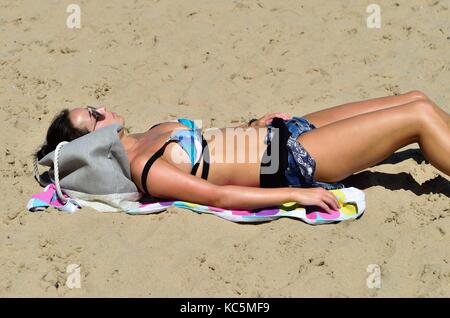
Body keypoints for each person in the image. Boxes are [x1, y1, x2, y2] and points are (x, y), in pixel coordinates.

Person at [34, 90, 450, 213]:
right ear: (91, 141)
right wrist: (296, 194)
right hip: (293, 159)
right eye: (93, 115)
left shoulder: (152, 132)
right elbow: (219, 195)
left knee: (415, 99)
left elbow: (219, 142)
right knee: (414, 118)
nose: (103, 107)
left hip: (287, 131)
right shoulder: (145, 166)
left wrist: (254, 124)